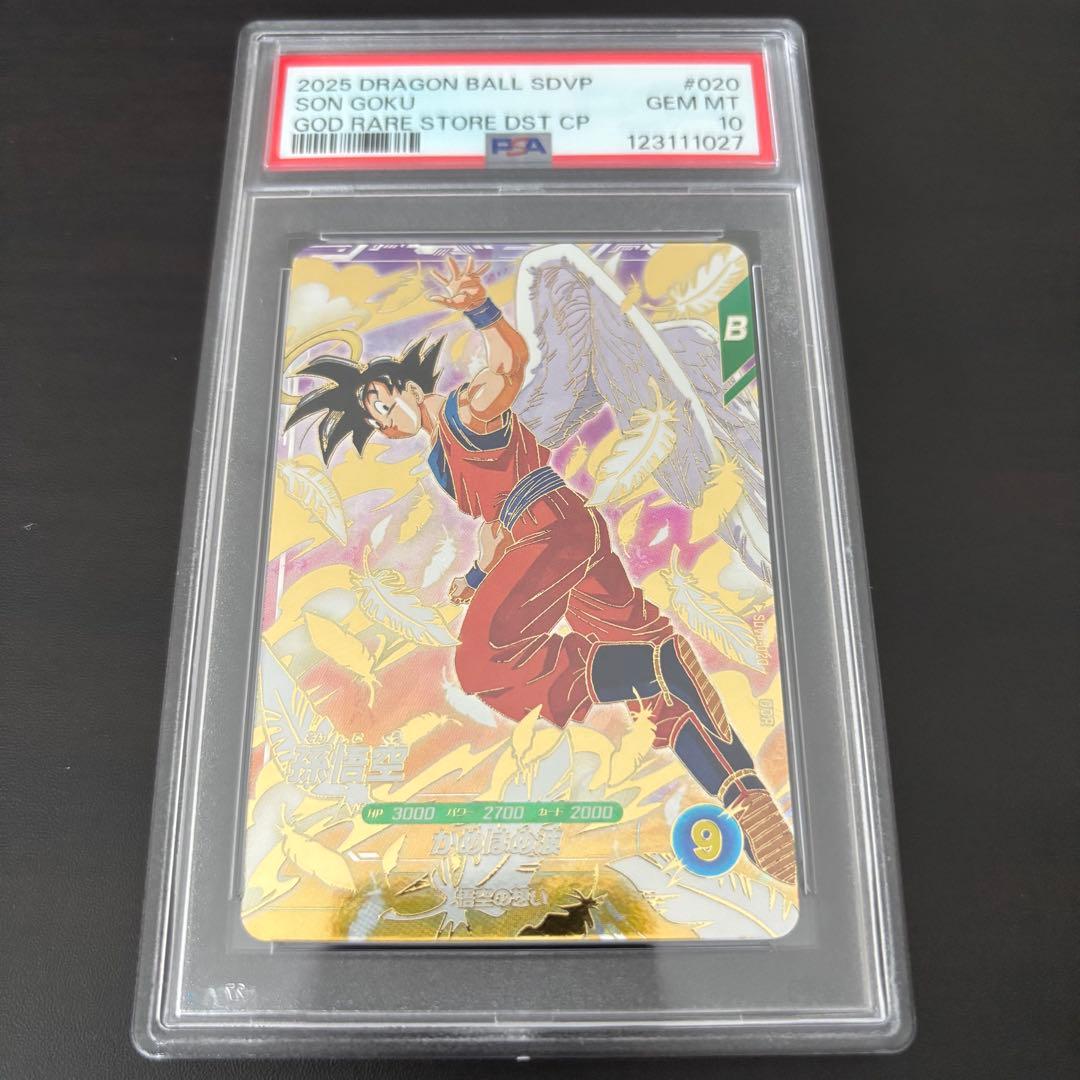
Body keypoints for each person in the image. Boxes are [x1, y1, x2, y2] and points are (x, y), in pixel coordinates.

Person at [287, 256, 796, 885]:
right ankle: (744, 796)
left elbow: (507, 365)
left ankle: (651, 669)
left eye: (381, 401)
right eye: (373, 419)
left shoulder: (465, 411)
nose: (383, 419)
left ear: (409, 388)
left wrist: (479, 308)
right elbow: (492, 524)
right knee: (650, 667)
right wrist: (478, 579)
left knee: (485, 664)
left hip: (549, 532)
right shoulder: (442, 453)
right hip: (559, 531)